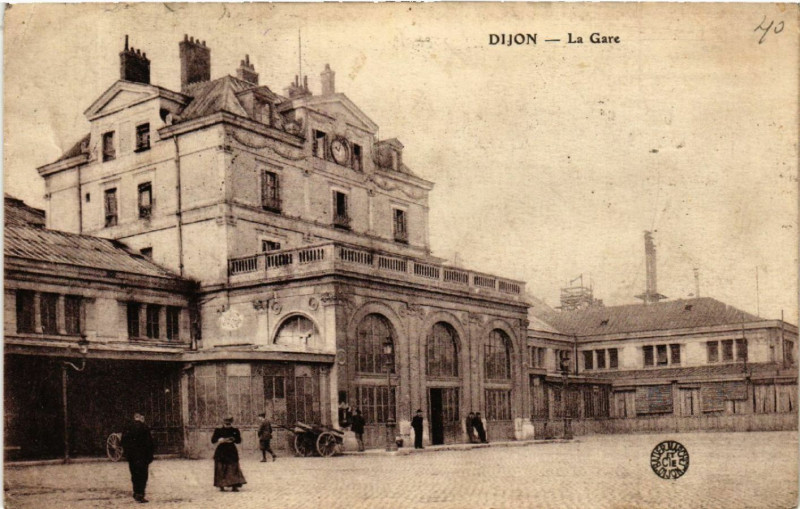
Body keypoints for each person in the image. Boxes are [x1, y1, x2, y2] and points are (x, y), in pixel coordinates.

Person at [120, 412, 155, 504]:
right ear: (140, 417)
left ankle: (136, 492)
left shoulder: (127, 427)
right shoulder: (144, 428)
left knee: (134, 474)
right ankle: (140, 494)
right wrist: (150, 456)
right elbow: (150, 443)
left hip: (132, 457)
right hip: (142, 457)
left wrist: (127, 454)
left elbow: (123, 442)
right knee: (142, 476)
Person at [212, 417, 247, 492]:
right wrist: (219, 440)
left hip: (231, 451)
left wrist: (234, 439)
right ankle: (221, 485)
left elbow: (239, 441)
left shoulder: (235, 430)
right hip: (221, 451)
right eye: (226, 423)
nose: (227, 425)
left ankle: (234, 485)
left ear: (231, 423)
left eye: (229, 423)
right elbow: (213, 440)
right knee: (221, 468)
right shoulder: (218, 430)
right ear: (223, 423)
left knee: (233, 468)